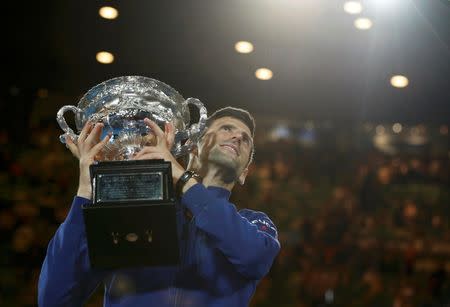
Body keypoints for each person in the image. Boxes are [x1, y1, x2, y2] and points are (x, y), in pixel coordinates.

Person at [38, 107, 280, 307]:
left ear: (244, 174)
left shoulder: (254, 223)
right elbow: (54, 299)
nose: (237, 137)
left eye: (245, 139)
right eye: (226, 129)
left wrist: (182, 178)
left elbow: (254, 257)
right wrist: (86, 192)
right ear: (192, 146)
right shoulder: (133, 212)